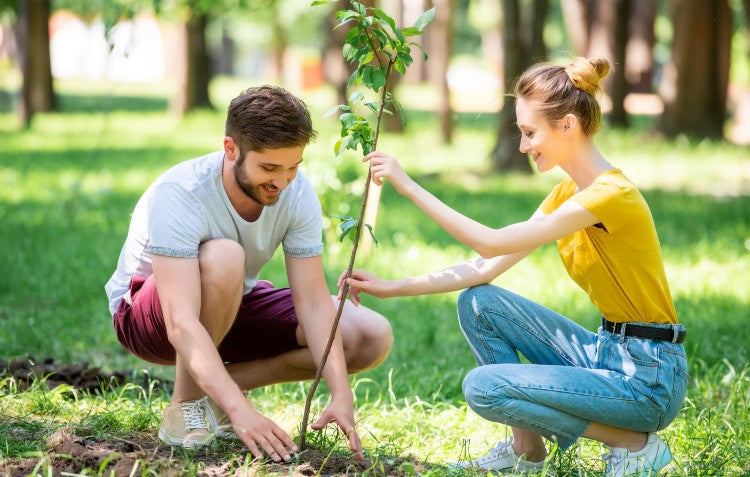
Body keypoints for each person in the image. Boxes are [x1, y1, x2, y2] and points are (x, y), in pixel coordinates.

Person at [338, 57, 688, 476]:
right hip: (606, 352)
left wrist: (409, 186)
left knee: (484, 387)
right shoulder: (569, 192)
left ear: (568, 125)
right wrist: (391, 286)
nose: (523, 146)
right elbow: (486, 265)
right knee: (480, 303)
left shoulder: (611, 195)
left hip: (648, 378)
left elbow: (491, 240)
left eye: (529, 132)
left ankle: (632, 444)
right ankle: (527, 452)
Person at [105, 86, 393, 461]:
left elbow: (314, 303)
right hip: (151, 320)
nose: (282, 182)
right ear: (231, 149)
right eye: (269, 168)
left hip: (228, 303)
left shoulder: (295, 192)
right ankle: (185, 406)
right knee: (224, 256)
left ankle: (218, 397)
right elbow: (179, 322)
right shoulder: (181, 192)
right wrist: (245, 414)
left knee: (368, 335)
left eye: (293, 167)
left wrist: (341, 393)